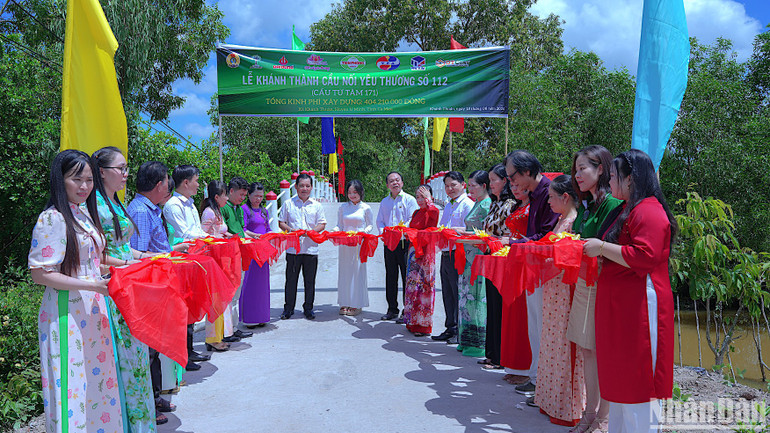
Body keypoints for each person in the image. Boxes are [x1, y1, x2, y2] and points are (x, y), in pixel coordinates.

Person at [29, 150, 125, 433]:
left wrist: (130, 265)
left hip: (94, 309)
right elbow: (41, 273)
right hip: (67, 314)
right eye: (76, 179)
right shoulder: (52, 218)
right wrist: (92, 285)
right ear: (60, 180)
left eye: (89, 180)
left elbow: (93, 260)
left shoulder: (82, 213)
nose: (84, 186)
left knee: (99, 384)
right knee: (72, 388)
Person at [584, 149, 676, 433]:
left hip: (641, 306)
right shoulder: (628, 208)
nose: (610, 181)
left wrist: (601, 247)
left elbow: (644, 256)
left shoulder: (649, 211)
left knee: (639, 380)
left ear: (631, 178)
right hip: (623, 305)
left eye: (613, 176)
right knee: (622, 378)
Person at [91, 146, 155, 432]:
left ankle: (142, 423)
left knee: (137, 358)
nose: (126, 174)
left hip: (128, 283)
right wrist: (129, 264)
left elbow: (125, 248)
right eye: (121, 168)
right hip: (111, 288)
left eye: (126, 168)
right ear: (102, 172)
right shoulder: (93, 205)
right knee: (123, 361)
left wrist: (149, 257)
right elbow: (96, 256)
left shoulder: (115, 203)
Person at [126, 161, 189, 425]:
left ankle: (157, 394)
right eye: (166, 181)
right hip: (149, 286)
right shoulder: (141, 211)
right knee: (149, 347)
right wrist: (167, 256)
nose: (168, 186)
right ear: (159, 184)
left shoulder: (150, 209)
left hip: (159, 281)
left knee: (157, 345)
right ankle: (150, 402)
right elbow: (140, 256)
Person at [567, 145, 623, 433]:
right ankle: (590, 413)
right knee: (587, 349)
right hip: (584, 282)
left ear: (601, 169)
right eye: (575, 170)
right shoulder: (586, 205)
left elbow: (613, 249)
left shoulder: (612, 205)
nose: (577, 175)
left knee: (602, 350)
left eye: (583, 169)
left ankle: (604, 417)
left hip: (603, 284)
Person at [531, 174, 587, 425]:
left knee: (564, 344)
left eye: (552, 197)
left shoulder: (573, 223)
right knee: (552, 342)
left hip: (565, 291)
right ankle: (551, 401)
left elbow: (569, 259)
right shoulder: (561, 220)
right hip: (554, 291)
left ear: (565, 197)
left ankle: (567, 406)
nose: (549, 202)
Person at [505, 150, 559, 398]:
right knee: (534, 325)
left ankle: (543, 382)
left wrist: (515, 243)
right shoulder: (535, 195)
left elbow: (547, 236)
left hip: (547, 270)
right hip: (533, 267)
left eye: (512, 176)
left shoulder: (550, 192)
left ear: (527, 171)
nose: (511, 182)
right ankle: (536, 377)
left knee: (543, 327)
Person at [163, 165, 209, 369]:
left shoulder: (189, 204)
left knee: (191, 304)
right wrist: (209, 239)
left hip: (193, 259)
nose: (198, 185)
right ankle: (183, 355)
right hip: (180, 261)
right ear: (186, 182)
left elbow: (196, 230)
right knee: (182, 307)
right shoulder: (174, 205)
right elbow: (185, 234)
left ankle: (189, 350)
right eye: (196, 181)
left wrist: (209, 238)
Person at [479, 164, 518, 374]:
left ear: (505, 181)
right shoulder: (495, 204)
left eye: (494, 180)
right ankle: (492, 352)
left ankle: (500, 355)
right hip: (491, 257)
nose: (491, 184)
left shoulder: (510, 204)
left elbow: (507, 234)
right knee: (492, 307)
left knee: (499, 307)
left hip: (503, 259)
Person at [278, 173, 327, 320]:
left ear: (311, 187)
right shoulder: (288, 203)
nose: (304, 189)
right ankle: (288, 308)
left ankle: (308, 308)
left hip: (311, 248)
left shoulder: (317, 205)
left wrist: (311, 232)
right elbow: (281, 222)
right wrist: (291, 231)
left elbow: (322, 223)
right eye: (301, 186)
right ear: (296, 187)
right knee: (291, 280)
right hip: (293, 249)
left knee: (310, 281)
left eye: (307, 186)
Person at [432, 171, 474, 343]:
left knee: (458, 292)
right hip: (446, 252)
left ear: (463, 185)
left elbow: (470, 230)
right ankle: (450, 326)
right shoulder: (449, 205)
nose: (450, 189)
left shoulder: (467, 204)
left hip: (459, 252)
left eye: (453, 185)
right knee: (447, 292)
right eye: (447, 186)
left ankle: (460, 330)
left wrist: (453, 231)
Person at [199, 180, 238, 351]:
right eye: (224, 195)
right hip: (212, 260)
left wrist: (230, 236)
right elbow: (202, 236)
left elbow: (220, 231)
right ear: (216, 197)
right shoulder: (209, 213)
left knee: (222, 298)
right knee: (214, 300)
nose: (227, 198)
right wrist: (218, 241)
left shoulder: (218, 212)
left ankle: (220, 335)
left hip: (221, 259)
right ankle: (212, 339)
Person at [455, 170, 491, 357]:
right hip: (468, 257)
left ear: (484, 186)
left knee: (476, 298)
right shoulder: (477, 203)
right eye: (469, 185)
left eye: (473, 185)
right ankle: (466, 339)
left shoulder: (487, 204)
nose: (470, 189)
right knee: (466, 298)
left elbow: (486, 234)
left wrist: (464, 234)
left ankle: (478, 344)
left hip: (478, 256)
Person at [376, 171, 419, 321]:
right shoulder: (384, 202)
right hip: (389, 243)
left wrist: (398, 231)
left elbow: (412, 220)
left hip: (404, 243)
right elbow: (380, 221)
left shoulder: (409, 200)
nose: (395, 183)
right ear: (387, 185)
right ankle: (392, 309)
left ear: (402, 183)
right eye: (391, 181)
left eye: (397, 180)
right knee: (391, 276)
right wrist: (384, 233)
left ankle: (407, 310)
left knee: (406, 277)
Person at [402, 185, 440, 336]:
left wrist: (429, 202)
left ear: (430, 198)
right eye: (418, 196)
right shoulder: (416, 212)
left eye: (423, 196)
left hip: (426, 255)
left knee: (424, 288)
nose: (420, 200)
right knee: (412, 287)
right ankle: (412, 321)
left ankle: (422, 325)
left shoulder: (432, 211)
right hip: (413, 253)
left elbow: (434, 215)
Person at [218, 176, 253, 340]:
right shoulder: (223, 208)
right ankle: (226, 330)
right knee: (228, 294)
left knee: (237, 293)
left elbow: (241, 230)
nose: (243, 198)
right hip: (228, 256)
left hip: (239, 253)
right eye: (241, 194)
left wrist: (253, 237)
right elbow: (222, 232)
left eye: (245, 195)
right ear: (231, 191)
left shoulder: (239, 208)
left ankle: (234, 327)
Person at [335, 180, 375, 316]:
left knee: (357, 272)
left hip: (359, 244)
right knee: (345, 272)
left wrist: (363, 232)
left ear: (361, 192)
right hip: (345, 244)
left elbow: (370, 225)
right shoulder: (343, 207)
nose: (352, 195)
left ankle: (357, 304)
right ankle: (344, 302)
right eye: (350, 192)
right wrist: (334, 231)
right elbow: (339, 225)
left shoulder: (365, 208)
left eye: (355, 192)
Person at [241, 182, 271, 327]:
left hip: (263, 251)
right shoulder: (244, 209)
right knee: (250, 283)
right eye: (255, 196)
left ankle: (262, 316)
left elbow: (268, 228)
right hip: (251, 250)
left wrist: (272, 235)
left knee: (262, 285)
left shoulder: (264, 211)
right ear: (249, 195)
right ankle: (250, 318)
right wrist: (255, 236)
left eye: (261, 196)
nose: (258, 199)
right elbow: (243, 229)